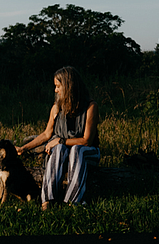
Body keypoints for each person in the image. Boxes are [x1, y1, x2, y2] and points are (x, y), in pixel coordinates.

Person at [17, 66, 100, 210]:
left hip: (88, 153)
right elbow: (46, 135)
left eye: (58, 86)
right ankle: (47, 200)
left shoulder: (90, 106)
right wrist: (23, 148)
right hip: (64, 154)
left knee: (76, 150)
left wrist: (61, 140)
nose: (55, 90)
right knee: (60, 148)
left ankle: (74, 201)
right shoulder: (56, 107)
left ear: (68, 86)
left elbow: (86, 140)